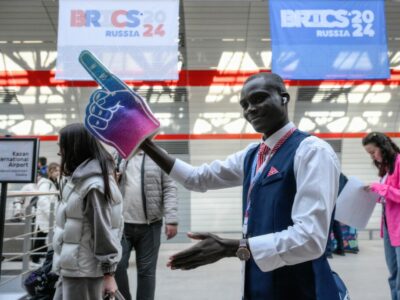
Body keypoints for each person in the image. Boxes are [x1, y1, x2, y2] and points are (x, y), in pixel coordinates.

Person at [138, 72, 342, 299]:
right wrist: (144, 143)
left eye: (258, 99)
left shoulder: (312, 152)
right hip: (259, 283)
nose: (250, 110)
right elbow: (197, 178)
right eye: (244, 105)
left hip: (303, 287)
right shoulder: (253, 155)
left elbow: (310, 239)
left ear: (283, 98)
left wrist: (230, 247)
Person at [52, 123, 123, 300]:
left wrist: (109, 274)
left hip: (83, 273)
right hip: (74, 269)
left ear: (74, 147)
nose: (59, 152)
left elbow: (103, 232)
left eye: (61, 145)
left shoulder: (93, 186)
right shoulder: (79, 181)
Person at [115, 150, 178, 300]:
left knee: (146, 272)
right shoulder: (118, 155)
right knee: (117, 266)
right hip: (121, 225)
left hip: (151, 225)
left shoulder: (159, 154)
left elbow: (169, 187)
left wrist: (172, 219)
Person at [362, 132, 400, 300]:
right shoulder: (386, 169)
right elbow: (389, 196)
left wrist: (381, 188)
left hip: (398, 227)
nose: (373, 157)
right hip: (389, 227)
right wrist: (373, 195)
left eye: (373, 152)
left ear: (383, 148)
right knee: (393, 274)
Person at [32, 162, 60, 264]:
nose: (58, 173)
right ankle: (34, 260)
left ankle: (38, 259)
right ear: (50, 171)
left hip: (50, 216)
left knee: (43, 237)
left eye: (58, 170)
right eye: (56, 170)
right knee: (41, 237)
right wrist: (51, 213)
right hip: (45, 216)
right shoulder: (46, 183)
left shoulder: (54, 182)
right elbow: (42, 199)